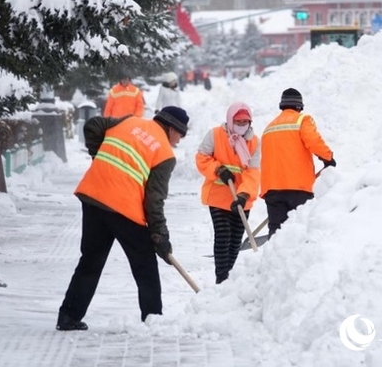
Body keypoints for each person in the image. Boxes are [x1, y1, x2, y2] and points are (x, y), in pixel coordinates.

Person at [56, 106, 190, 331]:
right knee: (145, 265)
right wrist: (159, 236)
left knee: (90, 260)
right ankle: (152, 318)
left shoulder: (129, 121)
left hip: (93, 196)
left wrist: (98, 157)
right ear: (170, 127)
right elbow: (154, 202)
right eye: (180, 134)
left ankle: (68, 316)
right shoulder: (165, 154)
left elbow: (92, 126)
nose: (180, 140)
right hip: (123, 208)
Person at [195, 102, 260, 284]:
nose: (242, 125)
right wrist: (218, 170)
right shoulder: (215, 135)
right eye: (238, 122)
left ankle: (228, 277)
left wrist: (244, 195)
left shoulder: (254, 142)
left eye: (245, 122)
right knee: (223, 236)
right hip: (218, 196)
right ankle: (221, 279)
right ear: (230, 120)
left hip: (240, 199)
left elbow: (253, 172)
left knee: (235, 242)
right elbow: (202, 157)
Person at [260, 88, 336, 238]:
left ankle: (273, 261)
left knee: (276, 233)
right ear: (299, 106)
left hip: (272, 190)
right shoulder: (302, 120)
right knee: (299, 232)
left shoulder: (269, 128)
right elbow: (313, 141)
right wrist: (328, 158)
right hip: (298, 188)